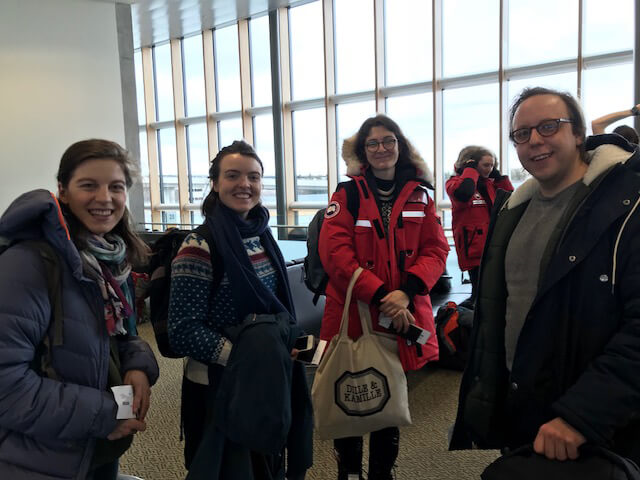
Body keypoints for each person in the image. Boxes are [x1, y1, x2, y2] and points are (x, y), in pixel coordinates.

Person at [450, 87, 640, 467]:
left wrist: (582, 414)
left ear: (578, 134)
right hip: (526, 410)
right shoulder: (513, 210)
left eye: (549, 126)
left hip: (596, 427)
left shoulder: (628, 206)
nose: (535, 140)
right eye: (522, 134)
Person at [0, 139, 159, 479]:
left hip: (92, 447)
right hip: (37, 458)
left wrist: (138, 363)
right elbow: (6, 386)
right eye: (89, 185)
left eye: (116, 187)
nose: (104, 198)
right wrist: (105, 413)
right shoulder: (27, 264)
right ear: (63, 191)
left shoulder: (108, 262)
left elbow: (116, 335)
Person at [167, 140, 312, 479]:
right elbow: (183, 329)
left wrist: (292, 352)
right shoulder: (199, 246)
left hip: (264, 380)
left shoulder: (262, 236)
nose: (245, 185)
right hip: (218, 385)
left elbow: (279, 315)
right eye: (233, 175)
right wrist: (252, 360)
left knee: (265, 464)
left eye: (254, 177)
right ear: (215, 184)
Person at [319, 115, 449, 479]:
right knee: (351, 391)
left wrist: (405, 293)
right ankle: (349, 471)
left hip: (402, 313)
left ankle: (380, 473)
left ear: (400, 146)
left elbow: (436, 250)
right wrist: (381, 295)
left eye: (388, 141)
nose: (381, 149)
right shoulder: (346, 195)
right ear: (363, 152)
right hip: (356, 312)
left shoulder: (421, 196)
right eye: (372, 143)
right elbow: (336, 255)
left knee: (388, 396)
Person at [446, 146, 513, 308]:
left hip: (492, 243)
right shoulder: (454, 183)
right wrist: (469, 171)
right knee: (478, 290)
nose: (490, 169)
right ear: (472, 164)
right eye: (486, 165)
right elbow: (464, 193)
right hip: (473, 245)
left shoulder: (490, 184)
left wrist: (500, 178)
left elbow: (511, 200)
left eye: (492, 165)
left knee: (493, 290)